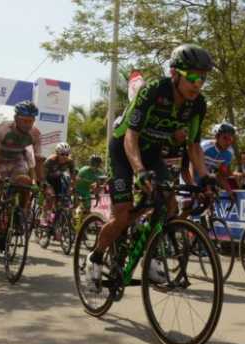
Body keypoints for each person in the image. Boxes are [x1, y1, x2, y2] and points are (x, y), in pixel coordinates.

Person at [84, 43, 216, 286]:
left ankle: (150, 256)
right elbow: (130, 136)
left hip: (153, 152)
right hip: (124, 150)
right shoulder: (154, 91)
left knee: (170, 204)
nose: (198, 84)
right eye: (194, 77)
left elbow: (194, 146)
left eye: (203, 78)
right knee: (123, 215)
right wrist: (139, 170)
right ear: (175, 74)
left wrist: (205, 178)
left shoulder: (197, 104)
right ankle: (96, 255)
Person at [0, 100, 43, 260]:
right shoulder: (3, 130)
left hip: (17, 160)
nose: (27, 124)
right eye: (24, 120)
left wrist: (41, 182)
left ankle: (19, 215)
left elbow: (36, 159)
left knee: (25, 183)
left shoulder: (35, 134)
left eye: (31, 121)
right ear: (16, 119)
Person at [183, 122, 237, 207]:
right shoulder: (205, 147)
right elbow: (192, 165)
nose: (228, 142)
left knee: (209, 202)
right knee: (188, 204)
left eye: (230, 139)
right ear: (217, 137)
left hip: (205, 178)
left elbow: (220, 175)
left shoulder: (229, 154)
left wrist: (229, 191)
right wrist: (193, 185)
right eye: (225, 138)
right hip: (190, 174)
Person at [41, 142, 76, 227]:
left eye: (67, 154)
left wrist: (71, 188)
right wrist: (47, 187)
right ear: (57, 153)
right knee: (50, 196)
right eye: (62, 154)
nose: (65, 156)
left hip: (57, 179)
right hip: (47, 179)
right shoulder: (50, 161)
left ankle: (55, 224)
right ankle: (44, 217)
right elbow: (42, 176)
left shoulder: (70, 162)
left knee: (60, 200)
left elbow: (73, 177)